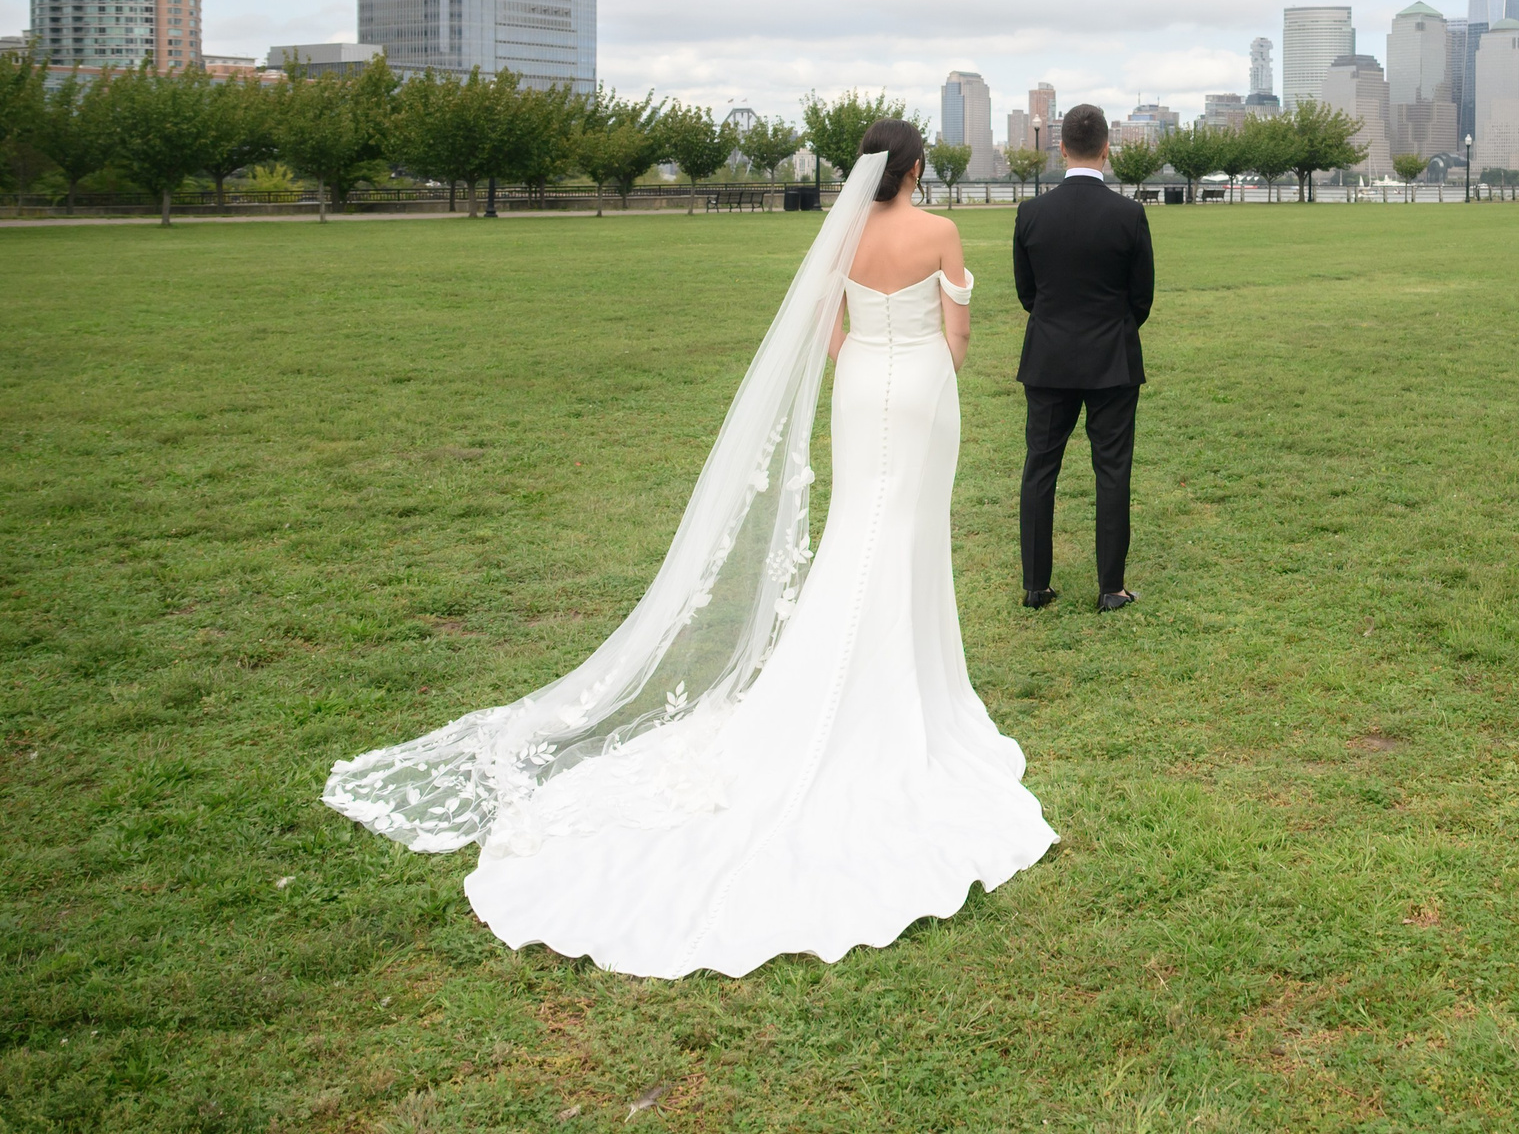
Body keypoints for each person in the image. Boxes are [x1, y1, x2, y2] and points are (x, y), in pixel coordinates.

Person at [322, 119, 1055, 978]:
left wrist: (872, 350)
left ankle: (851, 676)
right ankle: (906, 688)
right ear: (917, 167)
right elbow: (960, 335)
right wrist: (932, 356)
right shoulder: (938, 231)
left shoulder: (843, 233)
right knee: (905, 535)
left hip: (859, 388)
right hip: (923, 388)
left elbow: (830, 336)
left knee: (862, 529)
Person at [1011, 103, 1155, 612]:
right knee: (1113, 472)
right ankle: (1111, 589)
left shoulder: (1031, 213)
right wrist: (1111, 330)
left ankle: (1035, 586)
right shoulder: (1129, 213)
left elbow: (1028, 293)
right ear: (1107, 150)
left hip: (1049, 358)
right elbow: (1142, 296)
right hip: (1112, 360)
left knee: (1040, 468)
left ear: (1062, 146)